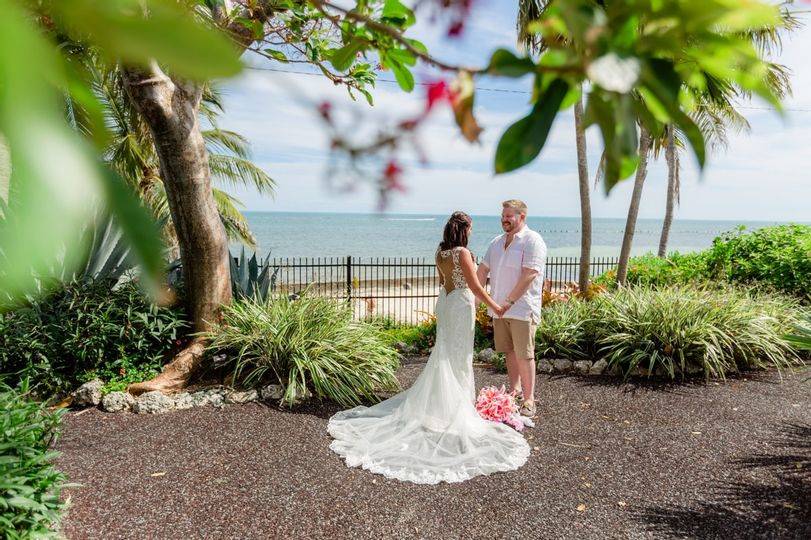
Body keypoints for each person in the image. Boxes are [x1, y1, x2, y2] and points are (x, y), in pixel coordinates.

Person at [328, 211, 530, 484]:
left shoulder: (440, 252)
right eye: (470, 228)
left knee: (445, 354)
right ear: (464, 229)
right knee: (459, 357)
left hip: (445, 302)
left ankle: (441, 407)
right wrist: (496, 306)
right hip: (459, 305)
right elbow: (474, 286)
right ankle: (454, 410)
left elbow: (444, 281)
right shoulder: (462, 253)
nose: (471, 232)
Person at [477, 200, 546, 418]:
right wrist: (473, 302)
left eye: (509, 216)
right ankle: (515, 392)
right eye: (503, 215)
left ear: (522, 216)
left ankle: (529, 400)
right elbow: (481, 271)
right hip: (498, 310)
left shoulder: (532, 240)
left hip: (521, 309)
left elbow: (530, 274)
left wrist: (508, 302)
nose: (504, 219)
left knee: (525, 355)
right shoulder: (496, 243)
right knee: (509, 351)